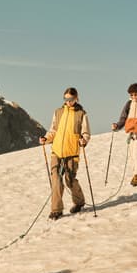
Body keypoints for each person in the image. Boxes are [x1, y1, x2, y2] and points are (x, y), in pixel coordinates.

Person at [39, 87, 91, 220]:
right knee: (56, 180)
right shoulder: (58, 112)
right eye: (66, 99)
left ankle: (79, 202)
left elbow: (85, 132)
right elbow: (53, 130)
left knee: (70, 180)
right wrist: (46, 139)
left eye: (71, 99)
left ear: (76, 98)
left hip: (72, 152)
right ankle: (56, 210)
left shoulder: (82, 114)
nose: (68, 102)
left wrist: (83, 140)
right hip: (56, 151)